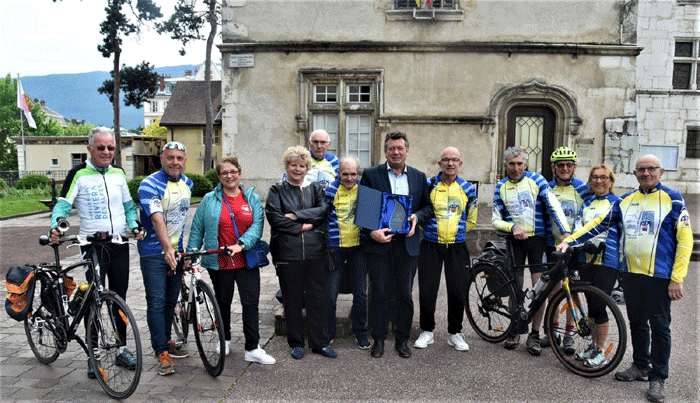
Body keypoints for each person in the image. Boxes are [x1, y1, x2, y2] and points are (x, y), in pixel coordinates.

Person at [558, 155, 693, 403]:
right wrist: (570, 240)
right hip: (630, 273)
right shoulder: (626, 201)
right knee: (637, 323)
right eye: (641, 169)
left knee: (660, 327)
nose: (646, 173)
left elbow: (685, 240)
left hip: (659, 276)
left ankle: (658, 377)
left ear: (660, 171)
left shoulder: (673, 199)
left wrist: (677, 278)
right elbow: (598, 224)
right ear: (634, 173)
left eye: (651, 169)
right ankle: (640, 366)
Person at [49, 126, 143, 378]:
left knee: (119, 299)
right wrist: (56, 226)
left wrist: (134, 225)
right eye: (100, 147)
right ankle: (94, 354)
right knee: (94, 299)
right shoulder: (78, 174)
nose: (106, 151)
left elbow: (128, 207)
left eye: (110, 147)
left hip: (119, 244)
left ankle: (122, 348)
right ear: (90, 149)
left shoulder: (119, 173)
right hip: (92, 246)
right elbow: (62, 205)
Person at [187, 157, 275, 364]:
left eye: (233, 171)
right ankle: (224, 339)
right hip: (220, 261)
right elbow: (198, 227)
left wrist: (241, 244)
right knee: (223, 302)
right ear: (219, 176)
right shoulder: (209, 199)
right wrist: (192, 252)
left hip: (247, 260)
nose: (229, 175)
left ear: (239, 173)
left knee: (250, 303)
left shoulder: (251, 198)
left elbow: (257, 226)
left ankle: (252, 348)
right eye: (224, 172)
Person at [492, 146, 570, 355]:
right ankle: (514, 330)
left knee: (539, 289)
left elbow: (554, 205)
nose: (515, 168)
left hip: (537, 240)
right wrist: (512, 228)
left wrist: (565, 232)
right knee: (515, 289)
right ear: (505, 165)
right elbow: (495, 220)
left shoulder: (537, 180)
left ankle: (534, 334)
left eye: (519, 164)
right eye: (511, 164)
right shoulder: (501, 186)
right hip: (514, 241)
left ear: (525, 164)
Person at [360, 131, 432, 359]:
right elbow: (365, 209)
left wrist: (417, 217)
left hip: (407, 245)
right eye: (391, 148)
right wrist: (372, 233)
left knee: (405, 294)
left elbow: (428, 208)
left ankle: (402, 340)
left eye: (400, 148)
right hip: (380, 244)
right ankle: (379, 339)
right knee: (379, 293)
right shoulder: (372, 174)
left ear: (407, 151)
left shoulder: (419, 177)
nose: (396, 152)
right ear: (385, 152)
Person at [266, 146, 336, 359]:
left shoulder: (315, 188)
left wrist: (295, 216)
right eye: (293, 165)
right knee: (292, 300)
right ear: (287, 166)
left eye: (302, 165)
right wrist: (303, 226)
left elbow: (323, 211)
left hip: (316, 252)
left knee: (318, 299)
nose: (297, 169)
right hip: (288, 254)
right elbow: (275, 218)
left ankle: (320, 343)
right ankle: (296, 343)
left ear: (307, 168)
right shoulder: (277, 190)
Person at [137, 141, 193, 376]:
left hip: (176, 252)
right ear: (161, 159)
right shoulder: (148, 184)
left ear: (184, 161)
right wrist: (167, 248)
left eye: (179, 158)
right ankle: (160, 350)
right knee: (157, 302)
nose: (175, 162)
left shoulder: (187, 183)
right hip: (153, 253)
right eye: (170, 158)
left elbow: (182, 218)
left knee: (172, 301)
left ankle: (167, 340)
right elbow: (157, 218)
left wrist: (182, 250)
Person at [414, 147, 478, 352]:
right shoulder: (429, 184)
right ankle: (427, 331)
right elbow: (422, 211)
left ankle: (455, 333)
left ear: (460, 164)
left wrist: (456, 233)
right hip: (431, 244)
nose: (450, 163)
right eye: (446, 160)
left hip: (457, 246)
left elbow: (472, 219)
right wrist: (434, 232)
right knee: (427, 289)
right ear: (440, 163)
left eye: (454, 160)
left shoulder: (468, 188)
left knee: (458, 290)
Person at [568, 164, 622, 367]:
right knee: (591, 305)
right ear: (590, 181)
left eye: (603, 177)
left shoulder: (617, 202)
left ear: (611, 181)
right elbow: (580, 227)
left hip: (606, 259)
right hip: (585, 258)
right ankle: (593, 346)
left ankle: (601, 350)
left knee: (600, 305)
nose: (599, 181)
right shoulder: (587, 202)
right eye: (595, 177)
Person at [541, 147, 589, 350]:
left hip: (575, 248)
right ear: (553, 167)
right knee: (552, 291)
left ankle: (570, 332)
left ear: (575, 167)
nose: (565, 168)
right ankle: (553, 331)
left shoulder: (583, 189)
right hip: (552, 246)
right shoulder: (546, 188)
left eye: (569, 165)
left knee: (574, 291)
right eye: (560, 165)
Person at [325, 155, 369, 349]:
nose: (349, 178)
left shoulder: (365, 190)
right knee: (331, 293)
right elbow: (323, 218)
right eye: (345, 174)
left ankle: (360, 332)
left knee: (360, 293)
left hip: (358, 248)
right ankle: (328, 332)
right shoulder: (330, 191)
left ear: (358, 173)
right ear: (338, 173)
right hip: (336, 247)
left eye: (353, 173)